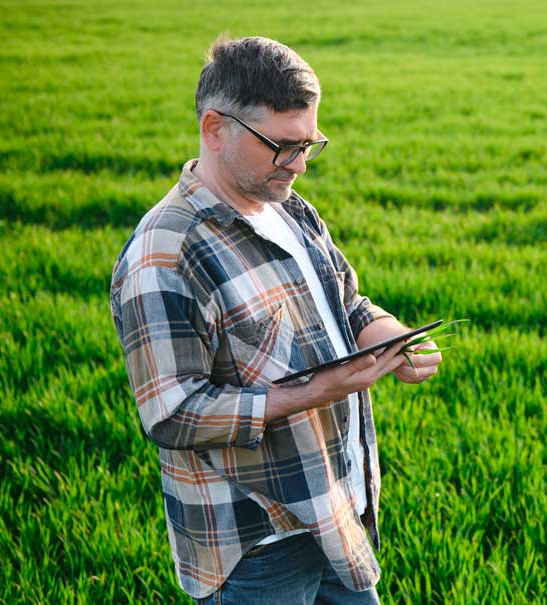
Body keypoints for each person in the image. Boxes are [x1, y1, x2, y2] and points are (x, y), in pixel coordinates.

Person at [109, 35, 441, 605]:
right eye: (284, 146)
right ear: (216, 128)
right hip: (255, 544)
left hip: (336, 509)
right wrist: (318, 391)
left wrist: (391, 339)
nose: (301, 165)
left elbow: (348, 302)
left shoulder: (288, 206)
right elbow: (171, 414)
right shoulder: (164, 254)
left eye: (311, 144)